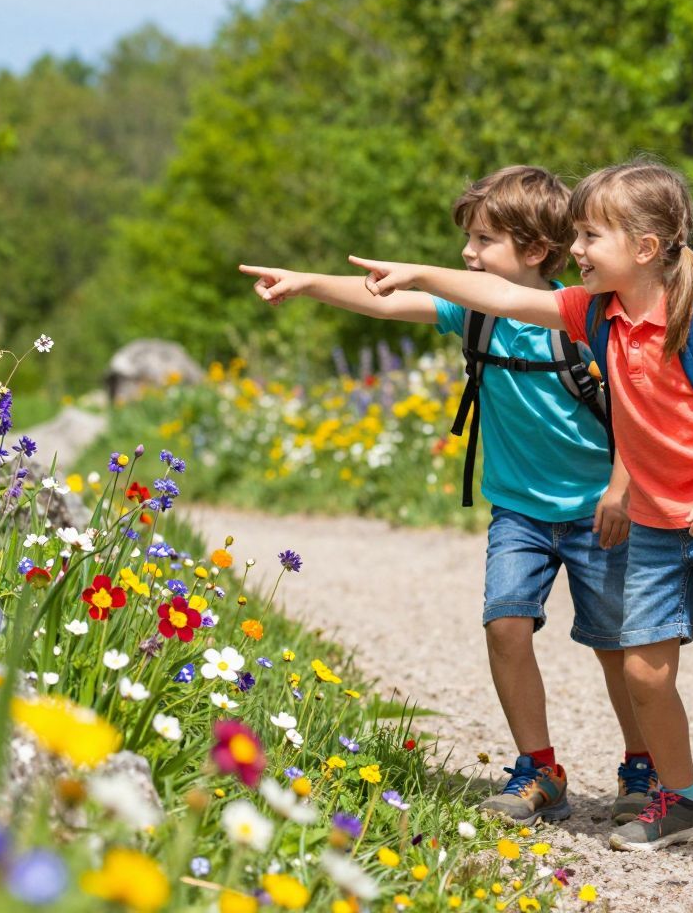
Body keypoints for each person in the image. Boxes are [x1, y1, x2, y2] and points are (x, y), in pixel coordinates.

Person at [350, 158, 693, 868]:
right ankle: (682, 800)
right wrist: (417, 273)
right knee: (646, 673)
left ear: (646, 248)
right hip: (655, 521)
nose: (577, 249)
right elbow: (497, 294)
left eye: (591, 236)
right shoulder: (593, 315)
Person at [238, 165, 656, 825]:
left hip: (596, 510)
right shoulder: (473, 314)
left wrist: (621, 490)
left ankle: (644, 765)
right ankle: (540, 770)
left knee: (616, 645)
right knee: (505, 625)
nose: (467, 253)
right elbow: (379, 299)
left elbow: (641, 408)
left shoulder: (582, 318)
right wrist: (305, 284)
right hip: (517, 510)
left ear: (535, 250)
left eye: (484, 240)